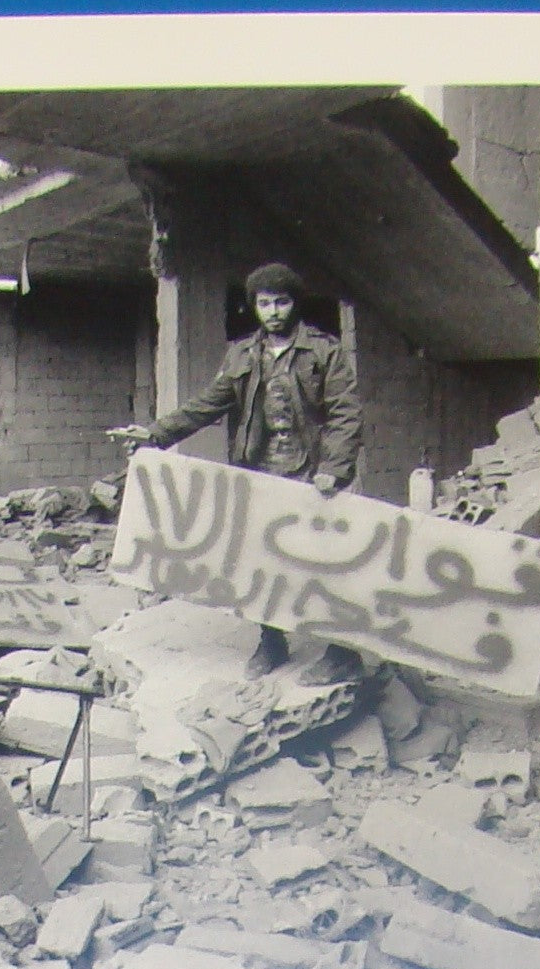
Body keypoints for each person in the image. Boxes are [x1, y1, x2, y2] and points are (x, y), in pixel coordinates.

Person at [109, 262, 365, 686]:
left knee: (324, 565)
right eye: (264, 303)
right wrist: (156, 433)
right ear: (255, 307)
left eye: (282, 302)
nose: (274, 312)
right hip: (260, 474)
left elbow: (346, 415)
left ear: (295, 304)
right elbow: (209, 403)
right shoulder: (242, 354)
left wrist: (332, 470)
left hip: (314, 477)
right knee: (260, 563)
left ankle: (341, 653)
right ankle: (272, 642)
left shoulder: (325, 352)